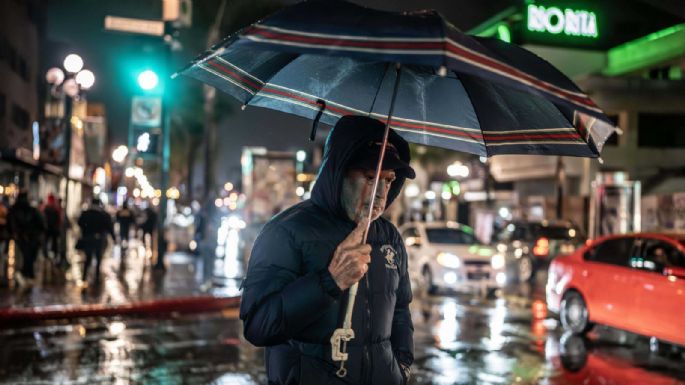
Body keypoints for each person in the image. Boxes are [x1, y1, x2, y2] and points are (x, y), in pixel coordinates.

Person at [240, 116, 415, 385]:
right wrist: (330, 281)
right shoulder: (286, 232)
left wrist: (402, 366)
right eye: (370, 177)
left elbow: (401, 310)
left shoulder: (389, 235)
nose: (381, 193)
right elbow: (258, 327)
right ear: (339, 172)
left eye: (389, 180)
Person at [7, 192, 46, 286]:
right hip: (29, 238)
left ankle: (26, 276)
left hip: (23, 238)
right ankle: (27, 276)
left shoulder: (15, 209)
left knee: (26, 257)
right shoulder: (31, 210)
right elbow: (42, 224)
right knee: (28, 257)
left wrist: (13, 233)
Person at [77, 197, 115, 285]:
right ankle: (97, 277)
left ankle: (84, 276)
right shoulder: (104, 215)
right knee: (98, 258)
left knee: (88, 258)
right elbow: (109, 227)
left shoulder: (86, 213)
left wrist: (85, 230)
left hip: (88, 238)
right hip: (99, 239)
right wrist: (113, 238)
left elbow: (79, 223)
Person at [42, 193, 62, 260]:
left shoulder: (46, 207)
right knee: (54, 241)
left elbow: (43, 217)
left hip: (47, 228)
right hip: (53, 228)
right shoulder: (55, 208)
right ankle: (54, 254)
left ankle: (46, 254)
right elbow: (58, 219)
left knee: (47, 241)